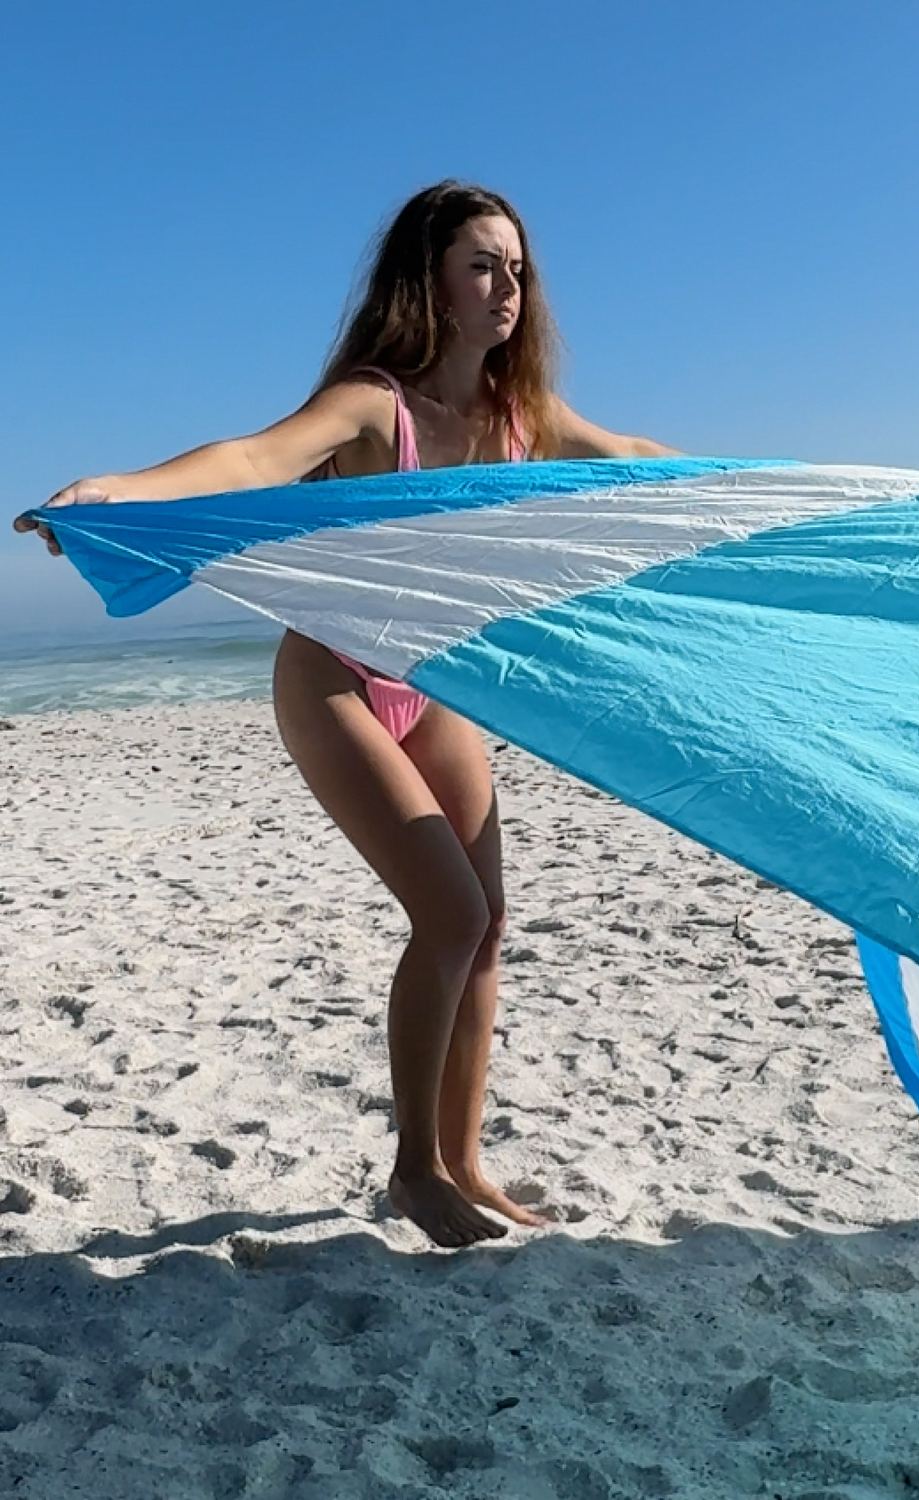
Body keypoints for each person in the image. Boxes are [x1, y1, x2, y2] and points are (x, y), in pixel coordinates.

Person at [13, 181, 677, 1247]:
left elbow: (640, 462)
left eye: (517, 267)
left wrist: (773, 493)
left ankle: (463, 1162)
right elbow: (250, 459)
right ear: (431, 280)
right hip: (333, 678)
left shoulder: (522, 417)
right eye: (480, 264)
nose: (506, 285)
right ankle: (413, 1172)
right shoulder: (380, 404)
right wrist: (125, 490)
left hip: (433, 681)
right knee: (450, 917)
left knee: (490, 931)